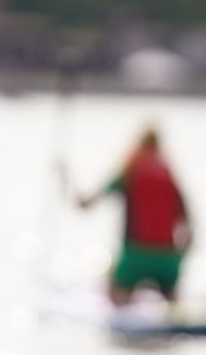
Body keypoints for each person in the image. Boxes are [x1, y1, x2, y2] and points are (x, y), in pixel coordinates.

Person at [75, 125, 192, 305]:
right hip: (169, 259)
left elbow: (89, 203)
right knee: (172, 302)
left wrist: (72, 190)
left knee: (116, 298)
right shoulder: (169, 175)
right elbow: (188, 220)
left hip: (135, 257)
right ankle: (171, 302)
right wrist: (181, 253)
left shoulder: (130, 170)